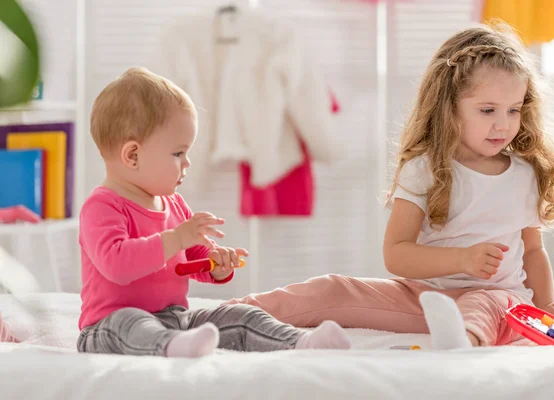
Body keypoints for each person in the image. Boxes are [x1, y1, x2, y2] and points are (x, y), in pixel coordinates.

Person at [226, 23, 554, 349]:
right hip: (425, 298)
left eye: (514, 110)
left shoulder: (524, 174)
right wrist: (461, 259)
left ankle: (462, 343)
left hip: (502, 300)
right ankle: (229, 314)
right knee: (333, 288)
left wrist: (543, 308)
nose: (503, 125)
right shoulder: (425, 169)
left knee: (484, 302)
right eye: (487, 110)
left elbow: (534, 252)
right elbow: (396, 254)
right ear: (449, 108)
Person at [76, 67, 351, 357]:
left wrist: (215, 264)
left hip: (174, 318)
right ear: (132, 156)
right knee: (130, 322)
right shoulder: (102, 206)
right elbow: (118, 266)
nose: (187, 163)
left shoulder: (174, 204)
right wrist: (177, 238)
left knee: (241, 315)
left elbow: (192, 257)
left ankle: (301, 341)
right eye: (178, 153)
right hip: (107, 327)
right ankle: (170, 346)